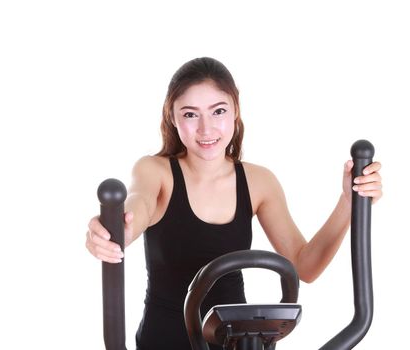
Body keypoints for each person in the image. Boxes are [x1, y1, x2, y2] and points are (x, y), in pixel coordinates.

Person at [86, 57, 383, 350]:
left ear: (235, 111)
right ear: (173, 118)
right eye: (190, 114)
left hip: (236, 342)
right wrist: (118, 228)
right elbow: (139, 204)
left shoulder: (259, 181)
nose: (206, 129)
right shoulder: (155, 171)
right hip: (163, 341)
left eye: (218, 111)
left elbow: (305, 266)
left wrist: (348, 201)